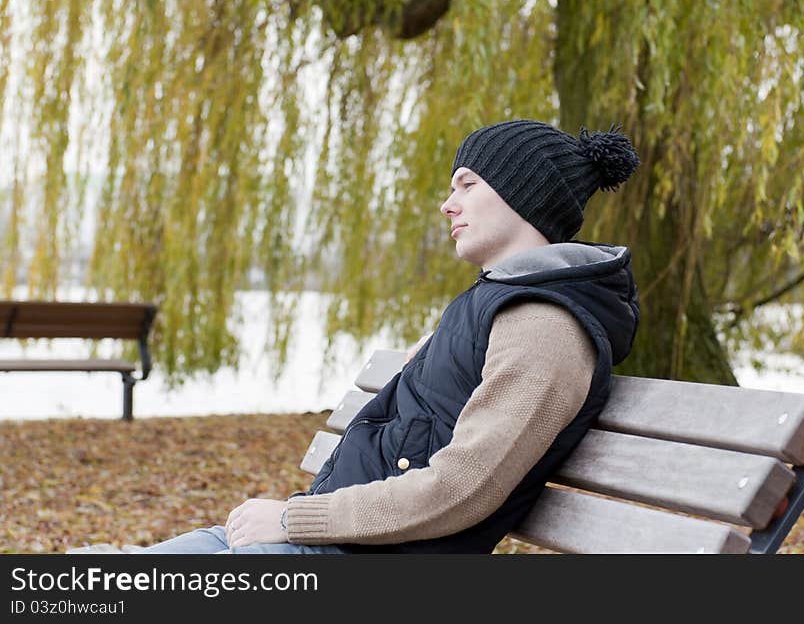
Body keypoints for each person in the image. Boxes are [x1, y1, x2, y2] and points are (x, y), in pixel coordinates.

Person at [138, 118, 640, 554]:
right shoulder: (499, 303)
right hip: (336, 542)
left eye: (467, 185)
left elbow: (463, 487)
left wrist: (295, 519)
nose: (448, 204)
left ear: (522, 195)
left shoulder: (544, 326)